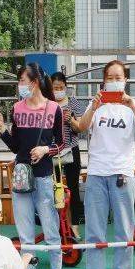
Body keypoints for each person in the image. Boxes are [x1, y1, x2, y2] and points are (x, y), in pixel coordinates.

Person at [75, 59, 135, 269]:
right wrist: (93, 107)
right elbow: (81, 127)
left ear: (126, 80)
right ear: (104, 80)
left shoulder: (132, 104)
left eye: (119, 77)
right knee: (95, 230)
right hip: (97, 172)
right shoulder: (96, 104)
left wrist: (131, 103)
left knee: (123, 229)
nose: (115, 81)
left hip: (122, 173)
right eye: (111, 77)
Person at [0, 62, 66, 269]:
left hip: (44, 176)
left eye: (23, 81)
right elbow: (16, 146)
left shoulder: (54, 109)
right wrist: (3, 128)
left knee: (51, 228)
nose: (20, 86)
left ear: (34, 83)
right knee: (25, 233)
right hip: (21, 177)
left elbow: (62, 143)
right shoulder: (17, 108)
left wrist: (46, 149)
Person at [52, 71, 86, 234]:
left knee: (73, 188)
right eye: (55, 87)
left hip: (72, 148)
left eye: (61, 87)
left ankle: (74, 226)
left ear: (66, 87)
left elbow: (80, 128)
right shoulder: (47, 103)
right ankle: (58, 226)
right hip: (53, 151)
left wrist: (70, 120)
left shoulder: (73, 102)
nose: (58, 90)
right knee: (56, 189)